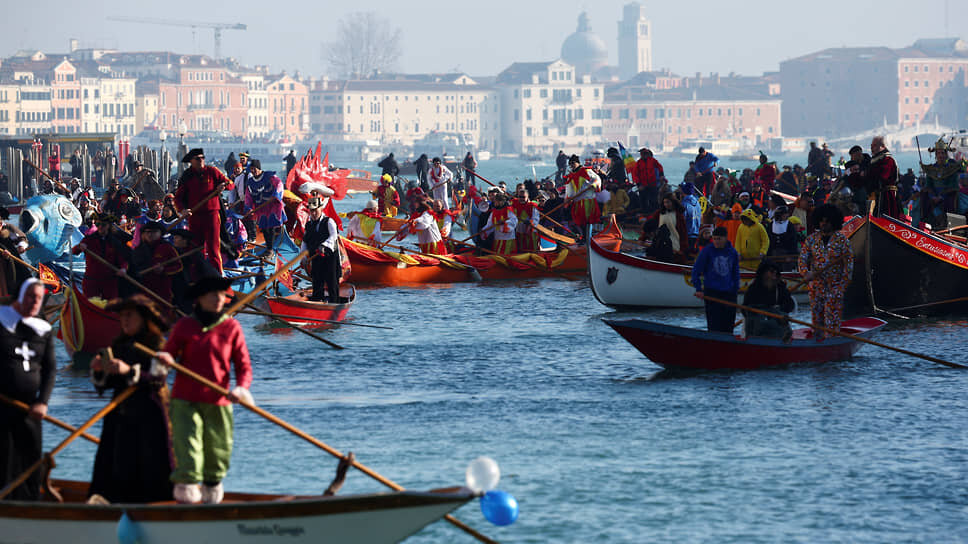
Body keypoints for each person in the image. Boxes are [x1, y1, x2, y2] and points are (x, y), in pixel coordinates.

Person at [155, 276, 253, 504]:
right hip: (185, 399)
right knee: (188, 446)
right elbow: (169, 353)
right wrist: (164, 359)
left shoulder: (231, 327)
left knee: (218, 449)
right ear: (200, 298)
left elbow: (243, 366)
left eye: (222, 295)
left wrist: (241, 388)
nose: (219, 299)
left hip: (219, 399)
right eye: (213, 295)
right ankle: (187, 491)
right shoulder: (185, 325)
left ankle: (211, 491)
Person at [88, 295, 173, 503]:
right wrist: (99, 371)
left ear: (143, 318)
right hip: (121, 416)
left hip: (150, 415)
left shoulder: (158, 346)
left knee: (152, 463)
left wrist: (128, 371)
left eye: (129, 315)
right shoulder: (118, 346)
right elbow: (107, 384)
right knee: (117, 462)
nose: (124, 320)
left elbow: (157, 379)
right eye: (122, 316)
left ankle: (158, 505)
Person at [0, 279, 55, 500]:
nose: (35, 302)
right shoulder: (1, 321)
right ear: (21, 296)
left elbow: (50, 369)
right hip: (2, 405)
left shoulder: (43, 330)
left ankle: (31, 502)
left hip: (30, 408)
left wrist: (43, 402)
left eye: (39, 298)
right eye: (31, 296)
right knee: (4, 456)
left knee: (31, 455)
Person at [798, 204, 854, 341]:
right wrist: (805, 273)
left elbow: (848, 267)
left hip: (834, 288)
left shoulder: (842, 241)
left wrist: (841, 288)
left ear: (833, 222)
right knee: (816, 321)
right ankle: (816, 344)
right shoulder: (811, 239)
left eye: (827, 221)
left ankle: (832, 343)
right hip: (815, 287)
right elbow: (802, 259)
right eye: (821, 221)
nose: (824, 224)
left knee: (832, 322)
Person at [174, 148, 233, 274]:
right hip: (195, 216)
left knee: (213, 248)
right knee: (196, 248)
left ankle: (217, 275)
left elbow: (230, 183)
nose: (201, 160)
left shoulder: (212, 171)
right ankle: (198, 274)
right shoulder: (187, 176)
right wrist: (182, 210)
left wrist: (224, 185)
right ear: (191, 161)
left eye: (202, 158)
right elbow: (178, 198)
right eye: (197, 158)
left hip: (212, 215)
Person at [71, 213, 132, 300]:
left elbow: (123, 260)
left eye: (103, 225)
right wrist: (79, 247)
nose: (100, 227)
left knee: (110, 304)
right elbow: (74, 251)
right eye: (98, 224)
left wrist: (123, 269)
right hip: (91, 280)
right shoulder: (89, 239)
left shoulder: (115, 242)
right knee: (90, 302)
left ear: (108, 226)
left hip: (110, 281)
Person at [691, 227, 740, 333]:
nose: (716, 242)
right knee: (714, 326)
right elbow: (696, 271)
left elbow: (736, 273)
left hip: (729, 293)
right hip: (712, 293)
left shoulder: (732, 252)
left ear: (725, 238)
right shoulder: (707, 251)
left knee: (728, 327)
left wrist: (736, 289)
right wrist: (698, 289)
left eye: (719, 239)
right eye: (714, 239)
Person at [128, 221, 182, 312]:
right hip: (143, 290)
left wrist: (163, 270)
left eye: (154, 232)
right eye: (147, 232)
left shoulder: (167, 248)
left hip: (163, 291)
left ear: (160, 233)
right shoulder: (138, 250)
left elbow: (179, 266)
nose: (150, 235)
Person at [301, 195, 341, 303]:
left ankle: (334, 303)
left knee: (332, 281)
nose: (313, 213)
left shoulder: (329, 221)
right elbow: (305, 241)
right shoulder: (308, 224)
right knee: (317, 280)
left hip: (329, 257)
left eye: (315, 210)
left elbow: (334, 236)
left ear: (321, 209)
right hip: (315, 257)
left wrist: (324, 245)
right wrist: (303, 257)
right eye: (311, 211)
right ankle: (317, 301)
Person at [742, 261, 794, 340]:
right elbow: (744, 308)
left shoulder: (780, 287)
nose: (774, 274)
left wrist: (781, 313)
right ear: (763, 273)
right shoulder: (753, 288)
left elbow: (790, 304)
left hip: (777, 323)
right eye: (772, 271)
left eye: (776, 272)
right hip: (757, 326)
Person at [243, 159, 287, 252]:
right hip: (261, 209)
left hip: (272, 207)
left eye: (254, 169)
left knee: (271, 227)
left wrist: (276, 195)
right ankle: (269, 248)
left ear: (259, 168)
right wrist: (248, 208)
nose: (253, 171)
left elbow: (279, 184)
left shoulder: (270, 177)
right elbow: (248, 196)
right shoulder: (250, 182)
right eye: (251, 169)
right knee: (264, 229)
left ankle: (271, 249)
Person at [920, 138, 961, 230]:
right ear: (936, 155)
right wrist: (933, 196)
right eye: (938, 153)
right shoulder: (931, 169)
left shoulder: (952, 168)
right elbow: (928, 185)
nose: (940, 155)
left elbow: (953, 185)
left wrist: (941, 197)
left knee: (950, 201)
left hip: (947, 195)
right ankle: (925, 225)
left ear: (946, 154)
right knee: (924, 198)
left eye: (942, 153)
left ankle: (946, 226)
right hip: (933, 196)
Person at [563, 154, 601, 237]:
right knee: (580, 221)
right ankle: (584, 237)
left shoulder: (587, 171)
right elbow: (569, 190)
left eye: (573, 163)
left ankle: (588, 237)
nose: (571, 165)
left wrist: (594, 184)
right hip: (578, 202)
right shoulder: (570, 176)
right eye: (570, 164)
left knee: (588, 220)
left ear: (578, 163)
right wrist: (567, 199)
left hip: (588, 200)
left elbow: (597, 179)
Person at [0, 207, 30, 298]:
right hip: (2, 264)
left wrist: (21, 246)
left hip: (12, 260)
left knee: (21, 277)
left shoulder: (8, 228)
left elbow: (22, 238)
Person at [869, 136, 900, 219]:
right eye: (871, 145)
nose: (872, 148)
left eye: (874, 145)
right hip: (878, 195)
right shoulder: (875, 160)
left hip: (887, 196)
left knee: (887, 218)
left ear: (882, 146)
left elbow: (883, 176)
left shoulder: (888, 160)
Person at [633, 148, 664, 214]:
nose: (643, 155)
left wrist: (661, 175)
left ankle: (654, 213)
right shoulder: (638, 163)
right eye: (642, 154)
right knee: (643, 201)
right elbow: (635, 174)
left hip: (652, 185)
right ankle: (645, 214)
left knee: (654, 200)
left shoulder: (652, 161)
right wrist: (639, 184)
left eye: (644, 154)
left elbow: (660, 167)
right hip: (643, 186)